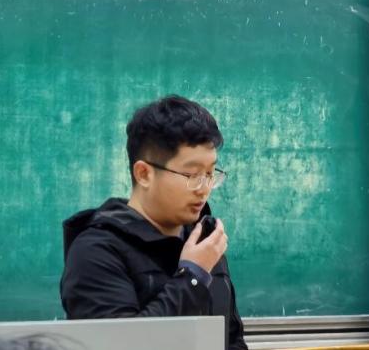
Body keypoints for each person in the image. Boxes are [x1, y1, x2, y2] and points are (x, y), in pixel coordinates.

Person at [59, 95, 246, 350]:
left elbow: (232, 340)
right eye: (192, 175)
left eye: (210, 173)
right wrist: (192, 277)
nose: (204, 188)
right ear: (144, 173)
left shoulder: (203, 242)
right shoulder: (96, 252)